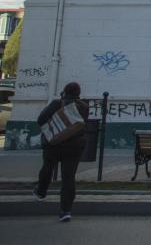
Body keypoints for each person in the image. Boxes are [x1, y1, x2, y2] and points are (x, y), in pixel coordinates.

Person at [33, 82, 90, 222]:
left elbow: (40, 120)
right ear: (78, 93)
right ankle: (66, 210)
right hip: (74, 146)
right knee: (68, 178)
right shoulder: (83, 107)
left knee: (47, 167)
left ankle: (41, 192)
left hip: (54, 144)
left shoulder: (56, 104)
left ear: (64, 91)